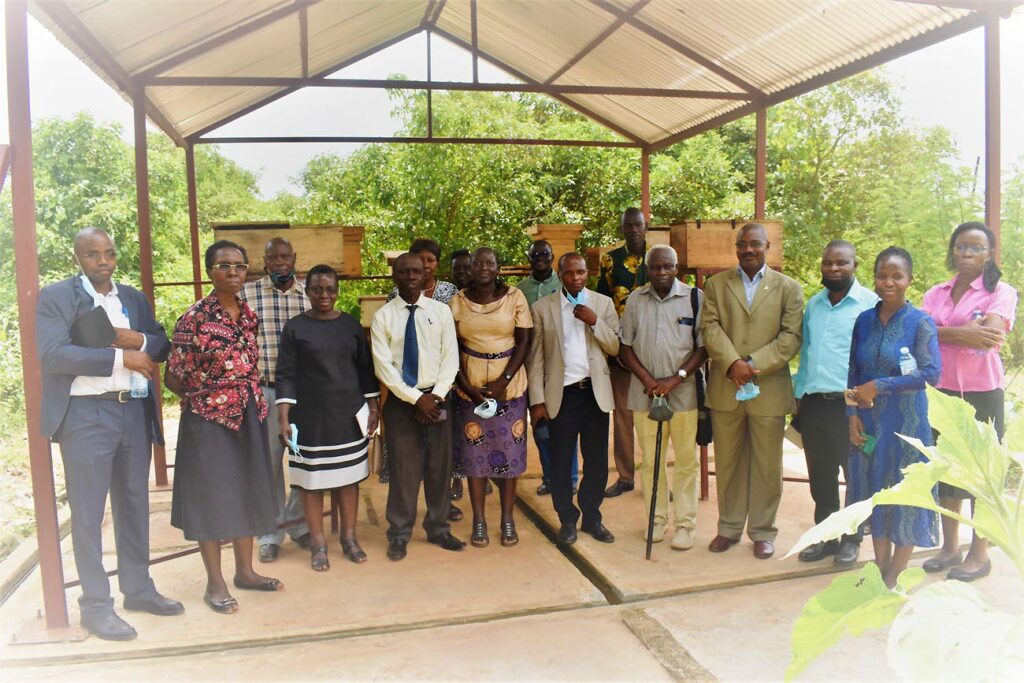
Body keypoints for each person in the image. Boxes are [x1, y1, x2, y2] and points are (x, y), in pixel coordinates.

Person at [36, 228, 183, 640]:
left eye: (109, 253)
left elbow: (162, 343)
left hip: (131, 411)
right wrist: (122, 356)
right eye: (92, 254)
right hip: (86, 417)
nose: (103, 261)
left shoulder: (132, 298)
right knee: (88, 515)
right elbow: (52, 354)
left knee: (134, 505)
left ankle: (138, 590)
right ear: (77, 257)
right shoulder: (58, 297)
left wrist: (139, 340)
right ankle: (96, 607)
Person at [166, 240, 283, 614]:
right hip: (208, 420)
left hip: (249, 414)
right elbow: (174, 376)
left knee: (248, 487)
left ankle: (245, 572)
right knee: (213, 498)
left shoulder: (248, 314)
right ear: (209, 271)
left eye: (239, 265)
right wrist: (209, 398)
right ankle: (214, 583)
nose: (233, 272)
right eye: (224, 265)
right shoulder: (194, 318)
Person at [701, 223, 803, 559]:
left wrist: (753, 363)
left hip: (768, 390)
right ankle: (728, 528)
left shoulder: (788, 288)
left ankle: (762, 531)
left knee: (766, 466)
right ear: (736, 247)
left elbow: (791, 338)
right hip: (727, 387)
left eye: (755, 244)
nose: (748, 250)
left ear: (767, 246)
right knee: (728, 462)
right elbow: (710, 328)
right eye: (742, 244)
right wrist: (732, 364)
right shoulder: (716, 285)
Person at [921, 222, 1017, 582]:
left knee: (983, 473)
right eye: (960, 247)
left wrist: (940, 334)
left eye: (975, 248)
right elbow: (918, 332)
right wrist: (961, 333)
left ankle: (980, 552)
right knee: (946, 469)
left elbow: (989, 338)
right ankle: (949, 547)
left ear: (989, 254)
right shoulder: (938, 291)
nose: (966, 254)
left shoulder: (1001, 292)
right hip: (942, 391)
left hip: (982, 393)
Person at [275, 264, 381, 571]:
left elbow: (365, 370)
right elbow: (286, 374)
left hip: (348, 415)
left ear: (337, 291)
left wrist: (373, 408)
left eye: (330, 289)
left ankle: (349, 538)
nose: (324, 295)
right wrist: (283, 418)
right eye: (317, 289)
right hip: (308, 418)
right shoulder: (295, 327)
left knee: (348, 480)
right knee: (311, 483)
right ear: (306, 291)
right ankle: (318, 544)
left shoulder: (349, 326)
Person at [847, 247, 940, 588]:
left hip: (907, 424)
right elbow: (853, 370)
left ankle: (896, 573)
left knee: (904, 493)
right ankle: (879, 567)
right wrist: (851, 412)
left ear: (909, 280)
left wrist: (881, 385)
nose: (889, 282)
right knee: (875, 490)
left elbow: (931, 373)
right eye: (883, 275)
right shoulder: (864, 321)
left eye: (896, 276)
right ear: (874, 278)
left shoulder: (920, 323)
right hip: (869, 422)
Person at [372, 253, 466, 561]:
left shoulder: (440, 312)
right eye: (404, 272)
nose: (411, 276)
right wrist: (416, 398)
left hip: (438, 399)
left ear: (425, 274)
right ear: (395, 276)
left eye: (416, 271)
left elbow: (450, 358)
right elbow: (384, 368)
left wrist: (435, 396)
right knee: (404, 470)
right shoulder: (383, 317)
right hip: (402, 404)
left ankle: (438, 528)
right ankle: (399, 533)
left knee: (440, 468)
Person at [793, 241, 878, 566]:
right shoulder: (814, 305)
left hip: (852, 406)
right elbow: (807, 355)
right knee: (821, 476)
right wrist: (799, 398)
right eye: (828, 263)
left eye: (841, 263)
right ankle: (825, 537)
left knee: (855, 475)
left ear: (855, 264)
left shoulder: (870, 304)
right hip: (815, 404)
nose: (833, 269)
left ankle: (852, 538)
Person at [619, 245, 708, 549]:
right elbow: (625, 347)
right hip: (645, 396)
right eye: (655, 267)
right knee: (650, 461)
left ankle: (685, 525)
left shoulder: (694, 298)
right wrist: (647, 379)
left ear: (676, 267)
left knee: (685, 462)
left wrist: (675, 379)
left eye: (666, 267)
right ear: (646, 269)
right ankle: (656, 520)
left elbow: (703, 348)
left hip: (683, 395)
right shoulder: (635, 299)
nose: (661, 273)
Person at [527, 252, 619, 545]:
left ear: (587, 273)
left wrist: (595, 322)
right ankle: (567, 519)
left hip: (594, 394)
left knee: (596, 462)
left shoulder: (602, 304)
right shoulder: (543, 308)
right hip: (562, 395)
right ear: (560, 273)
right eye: (569, 273)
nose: (576, 278)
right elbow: (536, 359)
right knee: (561, 460)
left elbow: (616, 347)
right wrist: (537, 401)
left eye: (580, 273)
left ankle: (592, 518)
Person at [451, 247, 534, 547]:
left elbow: (524, 341)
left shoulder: (514, 297)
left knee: (509, 454)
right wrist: (467, 386)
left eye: (490, 262)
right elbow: (451, 347)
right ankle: (479, 520)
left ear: (499, 267)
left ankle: (508, 519)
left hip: (509, 388)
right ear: (470, 267)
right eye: (478, 263)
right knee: (475, 457)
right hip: (470, 388)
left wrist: (504, 380)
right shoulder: (458, 301)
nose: (484, 267)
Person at [240, 237, 311, 563]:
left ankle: (297, 525)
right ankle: (269, 534)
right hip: (265, 390)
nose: (281, 262)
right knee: (268, 465)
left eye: (286, 256)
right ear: (265, 261)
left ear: (294, 257)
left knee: (303, 461)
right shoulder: (249, 294)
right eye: (274, 257)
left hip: (306, 392)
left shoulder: (311, 294)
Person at [517, 240, 579, 497]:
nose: (540, 258)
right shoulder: (520, 291)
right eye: (535, 255)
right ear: (529, 258)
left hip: (561, 365)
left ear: (553, 257)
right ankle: (550, 477)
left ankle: (571, 477)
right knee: (540, 425)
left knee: (566, 425)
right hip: (532, 365)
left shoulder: (565, 285)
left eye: (545, 254)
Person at [597, 208, 648, 498]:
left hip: (654, 350)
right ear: (623, 228)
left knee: (655, 418)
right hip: (620, 350)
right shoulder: (610, 260)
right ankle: (626, 476)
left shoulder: (659, 256)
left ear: (645, 226)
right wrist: (611, 347)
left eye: (637, 225)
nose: (633, 229)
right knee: (623, 418)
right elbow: (602, 305)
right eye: (628, 226)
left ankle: (655, 477)